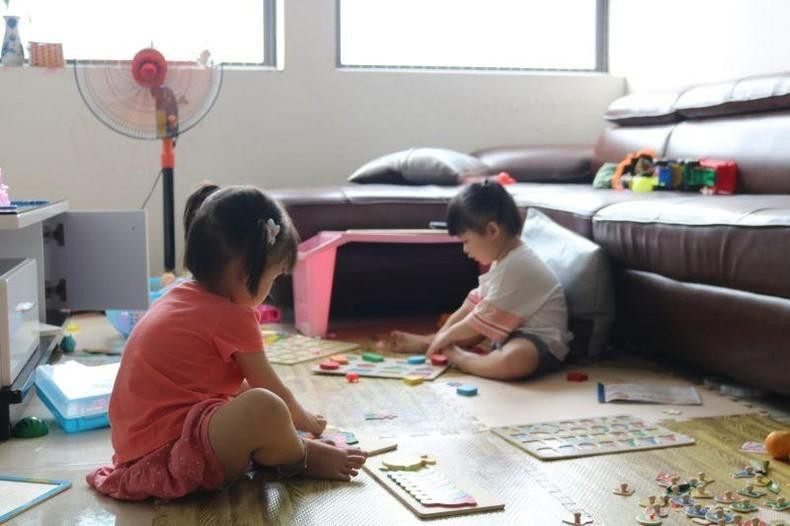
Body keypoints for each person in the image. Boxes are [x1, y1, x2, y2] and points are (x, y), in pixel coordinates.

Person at [87, 184, 366, 500]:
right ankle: (301, 458)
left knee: (245, 399)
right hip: (172, 455)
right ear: (245, 272)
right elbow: (274, 390)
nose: (271, 290)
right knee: (267, 408)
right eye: (273, 278)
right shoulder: (232, 316)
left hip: (141, 450)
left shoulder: (180, 295)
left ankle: (274, 447)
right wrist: (305, 422)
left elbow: (223, 385)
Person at [383, 180, 571, 380]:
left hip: (539, 342)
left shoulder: (519, 265)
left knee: (515, 358)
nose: (465, 250)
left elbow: (477, 321)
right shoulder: (503, 260)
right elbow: (471, 306)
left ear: (492, 231)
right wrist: (441, 336)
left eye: (466, 241)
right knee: (472, 329)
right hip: (507, 333)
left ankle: (461, 358)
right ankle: (432, 343)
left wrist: (447, 337)